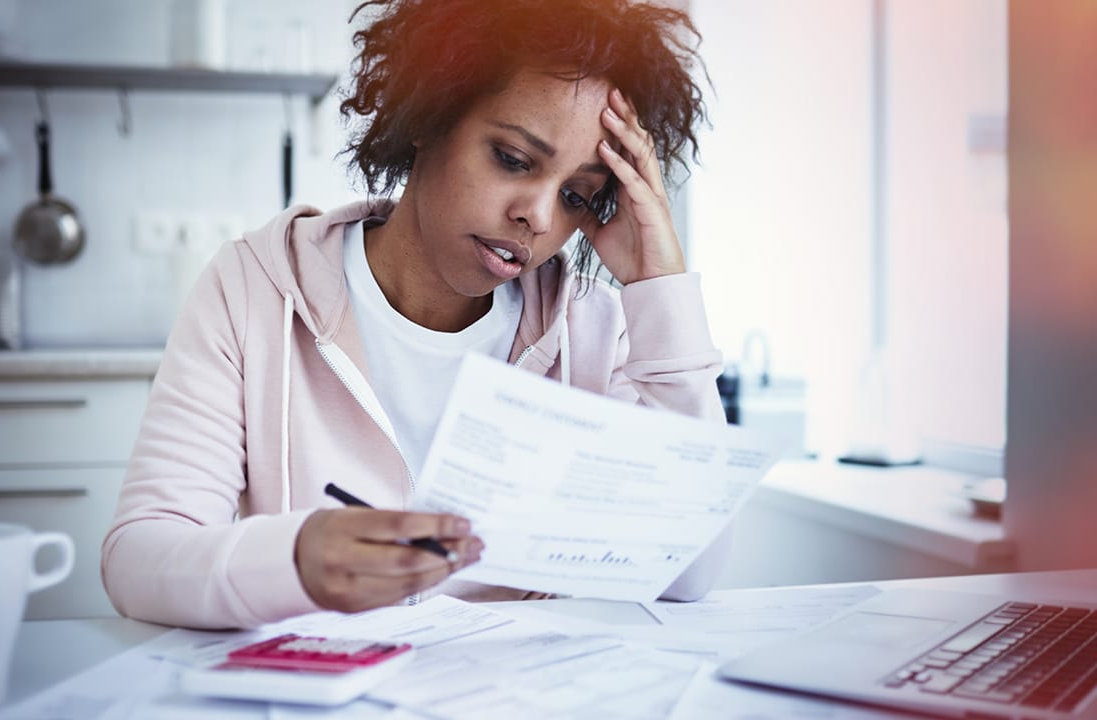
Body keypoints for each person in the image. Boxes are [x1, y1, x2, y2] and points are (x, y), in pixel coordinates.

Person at [102, 0, 728, 630]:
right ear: (430, 115)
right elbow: (139, 558)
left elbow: (688, 570)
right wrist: (294, 560)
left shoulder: (593, 328)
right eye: (513, 159)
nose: (539, 216)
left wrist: (660, 286)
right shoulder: (254, 290)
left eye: (577, 196)